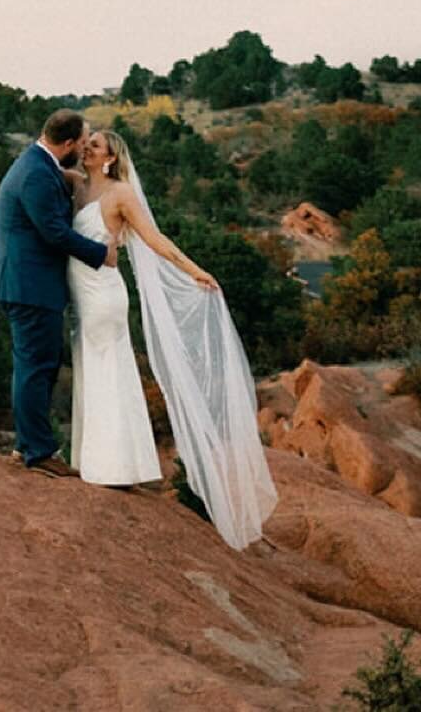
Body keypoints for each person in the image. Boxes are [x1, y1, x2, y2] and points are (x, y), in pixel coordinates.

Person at [70, 129, 277, 549]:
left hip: (103, 295)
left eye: (95, 145)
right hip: (78, 293)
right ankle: (92, 460)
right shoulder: (74, 185)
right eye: (86, 142)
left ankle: (115, 465)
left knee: (109, 370)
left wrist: (193, 269)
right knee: (89, 371)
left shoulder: (120, 193)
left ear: (110, 159)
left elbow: (154, 239)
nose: (87, 147)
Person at [0, 109, 117, 475]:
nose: (85, 148)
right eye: (83, 141)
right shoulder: (36, 175)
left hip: (25, 284)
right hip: (29, 287)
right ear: (69, 143)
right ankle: (39, 453)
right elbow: (54, 233)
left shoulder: (38, 165)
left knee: (36, 364)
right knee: (35, 367)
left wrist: (68, 178)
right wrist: (100, 254)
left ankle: (28, 444)